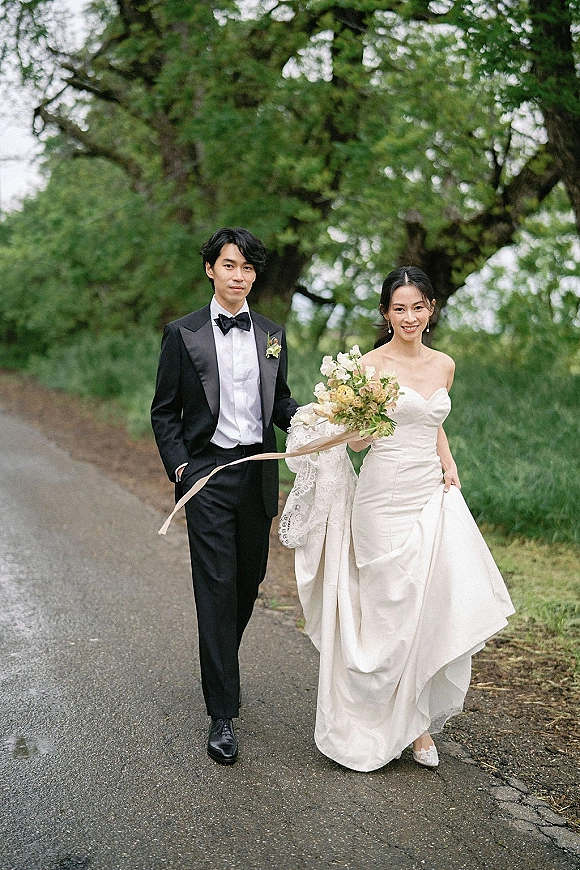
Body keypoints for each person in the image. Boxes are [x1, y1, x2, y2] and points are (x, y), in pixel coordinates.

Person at [279, 266, 514, 772]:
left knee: (425, 605)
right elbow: (360, 441)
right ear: (386, 314)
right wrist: (358, 419)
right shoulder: (367, 365)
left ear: (431, 310)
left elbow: (433, 422)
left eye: (419, 307)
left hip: (429, 492)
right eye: (399, 308)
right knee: (388, 605)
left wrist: (449, 463)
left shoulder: (444, 365)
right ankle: (368, 720)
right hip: (381, 496)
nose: (410, 317)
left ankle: (418, 724)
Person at [151, 227, 297, 765]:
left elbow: (279, 401)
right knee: (215, 588)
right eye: (230, 266)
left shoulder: (272, 334)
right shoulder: (182, 334)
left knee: (247, 582)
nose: (240, 277)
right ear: (211, 269)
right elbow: (163, 410)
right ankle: (223, 715)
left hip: (258, 474)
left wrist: (312, 421)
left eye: (249, 269)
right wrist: (182, 469)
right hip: (208, 475)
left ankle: (219, 666)